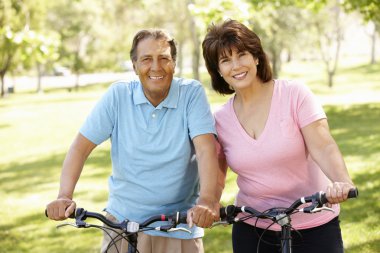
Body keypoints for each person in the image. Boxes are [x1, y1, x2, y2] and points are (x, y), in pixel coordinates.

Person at [46, 28, 220, 253]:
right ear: (134, 65)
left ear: (174, 63)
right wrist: (64, 196)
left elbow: (206, 150)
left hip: (179, 226)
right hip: (121, 224)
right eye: (147, 59)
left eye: (164, 58)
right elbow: (80, 148)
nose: (156, 67)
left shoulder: (191, 94)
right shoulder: (118, 96)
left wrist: (206, 200)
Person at [202, 19, 356, 253]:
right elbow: (216, 175)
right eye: (225, 60)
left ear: (256, 57)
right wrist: (210, 203)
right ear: (219, 71)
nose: (235, 66)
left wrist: (342, 181)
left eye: (241, 55)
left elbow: (323, 146)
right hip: (252, 229)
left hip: (313, 222)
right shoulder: (220, 120)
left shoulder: (294, 94)